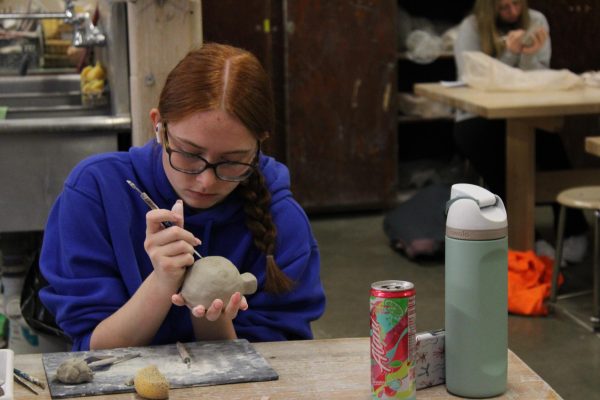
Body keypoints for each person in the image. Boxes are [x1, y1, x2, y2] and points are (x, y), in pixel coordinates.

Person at [39, 43, 326, 351]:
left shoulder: (283, 220)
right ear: (158, 126)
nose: (205, 181)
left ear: (259, 146)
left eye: (232, 161)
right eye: (190, 154)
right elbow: (94, 348)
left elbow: (279, 361)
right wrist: (162, 282)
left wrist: (209, 315)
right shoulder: (95, 191)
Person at [453, 0, 588, 263]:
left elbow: (537, 82)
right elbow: (474, 83)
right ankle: (529, 239)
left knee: (551, 145)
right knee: (499, 163)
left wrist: (528, 55)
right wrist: (509, 53)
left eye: (516, 4)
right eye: (504, 7)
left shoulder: (536, 20)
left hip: (523, 114)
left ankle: (574, 229)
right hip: (477, 116)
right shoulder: (471, 27)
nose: (512, 12)